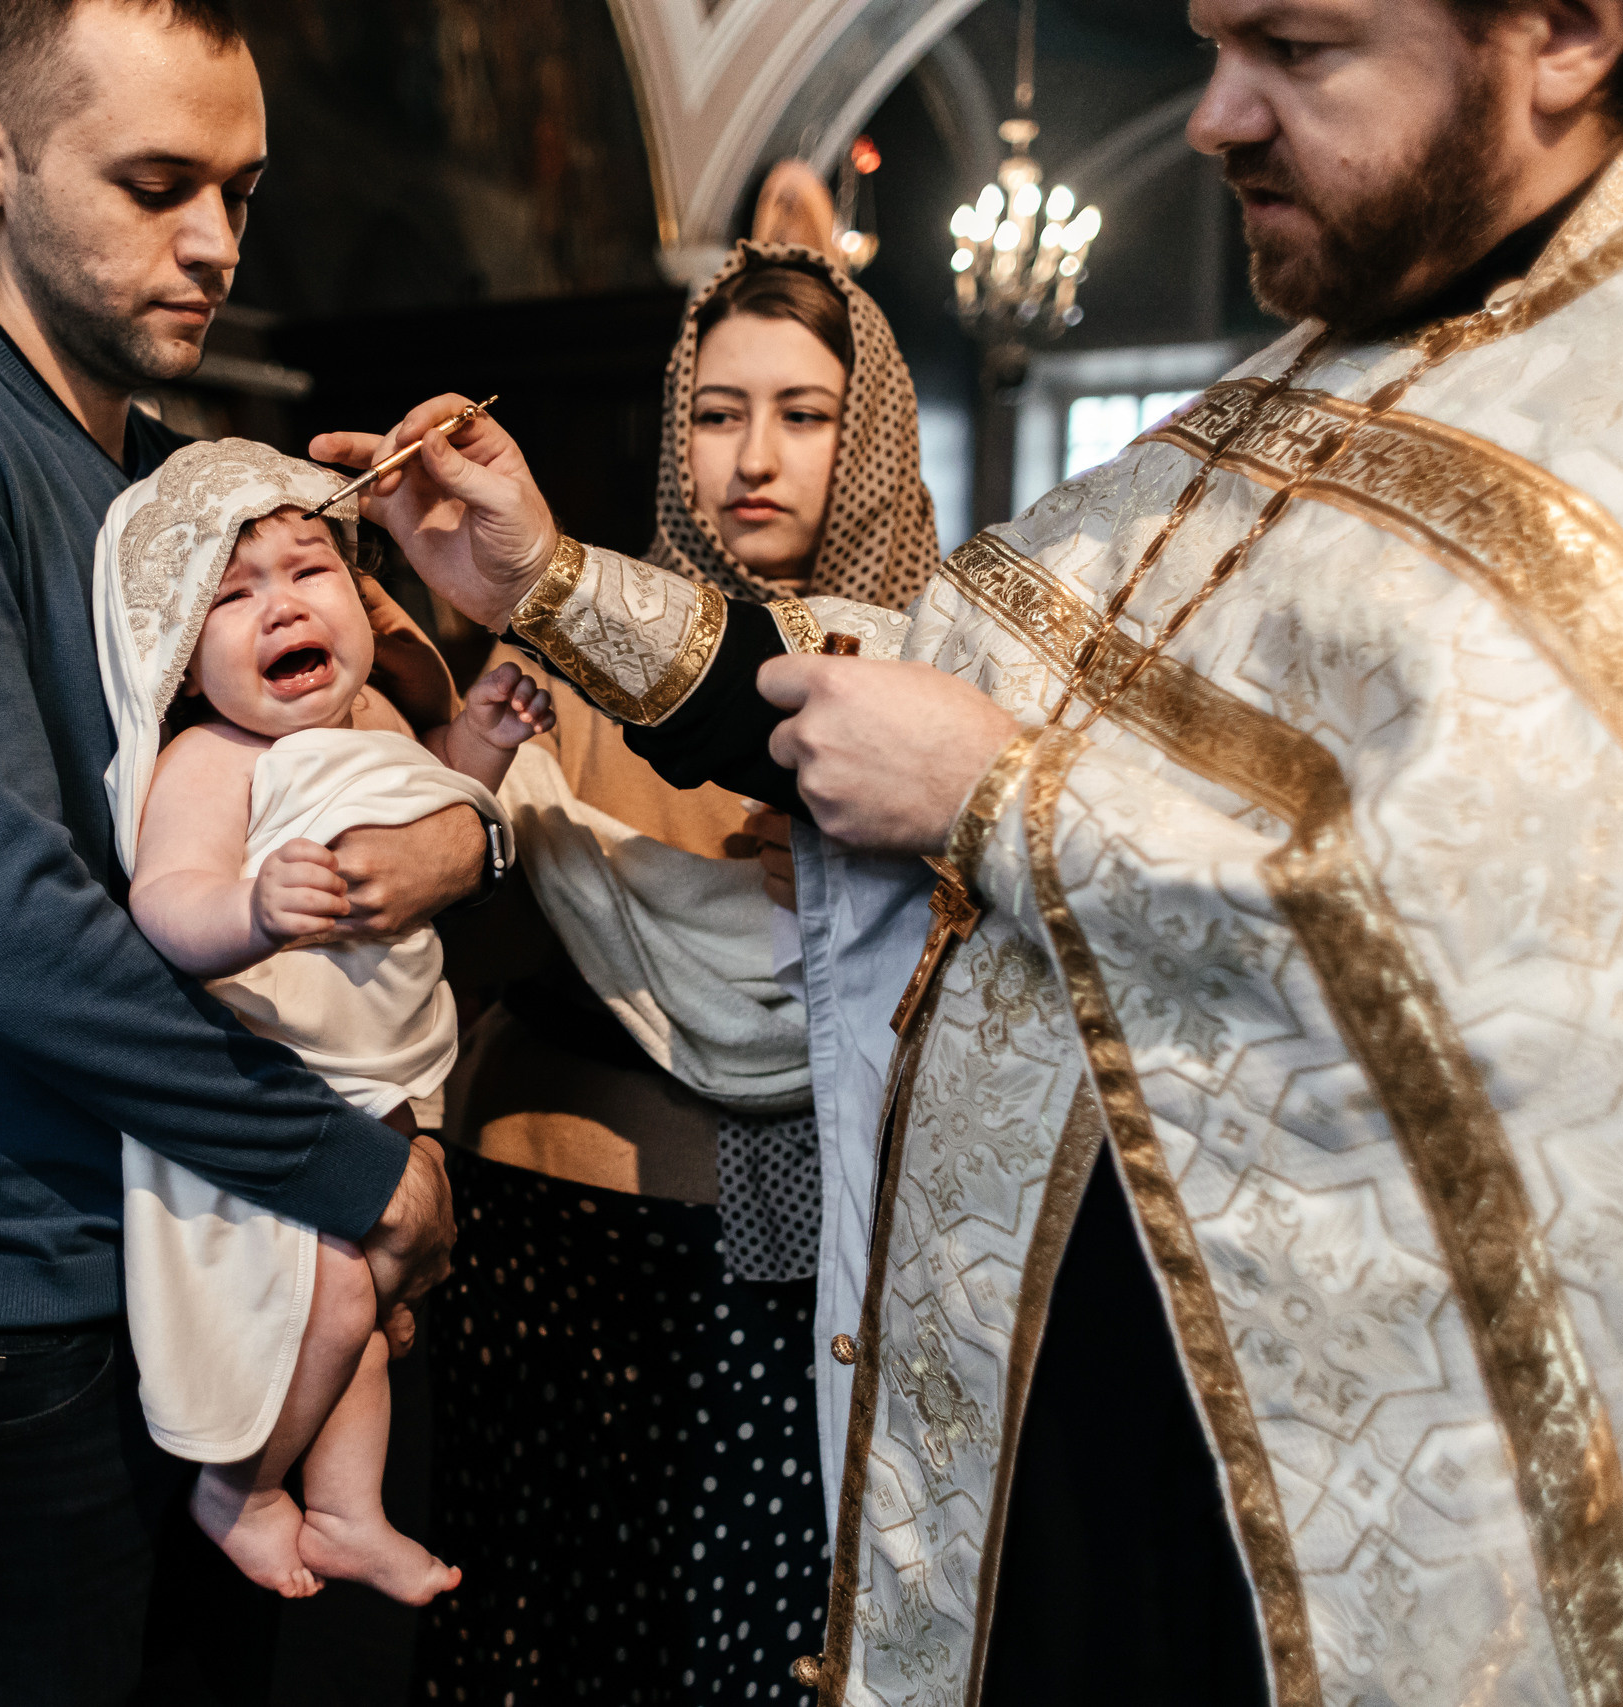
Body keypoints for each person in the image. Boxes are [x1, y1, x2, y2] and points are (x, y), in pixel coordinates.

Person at [319, 1, 1623, 1701]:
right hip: (1056, 1462)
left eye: (1295, 47)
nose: (1214, 115)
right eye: (1213, 39)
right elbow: (896, 683)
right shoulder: (1314, 379)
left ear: (1567, 28)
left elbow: (1593, 999)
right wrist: (542, 583)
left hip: (1312, 1531)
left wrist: (1010, 803)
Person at [0, 2, 487, 1700]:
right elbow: (4, 929)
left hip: (213, 1246)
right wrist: (354, 1169)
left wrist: (454, 789)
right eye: (157, 182)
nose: (217, 243)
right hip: (1, 1297)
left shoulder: (197, 500)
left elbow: (365, 787)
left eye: (240, 187)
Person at [416, 242, 937, 1704]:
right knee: (541, 1618)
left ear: (873, 434)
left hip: (784, 1269)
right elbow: (426, 924)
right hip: (546, 1224)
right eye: (714, 413)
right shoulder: (563, 649)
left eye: (803, 413)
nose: (751, 457)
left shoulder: (936, 677)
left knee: (744, 1636)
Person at [90, 438, 553, 1606]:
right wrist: (248, 909)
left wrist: (482, 745)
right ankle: (237, 1486)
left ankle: (347, 1509)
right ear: (184, 665)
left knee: (362, 1315)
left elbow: (436, 799)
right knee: (342, 1298)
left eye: (309, 573)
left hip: (387, 1083)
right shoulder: (213, 756)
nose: (281, 606)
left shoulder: (374, 724)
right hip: (273, 1091)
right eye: (234, 596)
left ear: (362, 598)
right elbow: (165, 902)